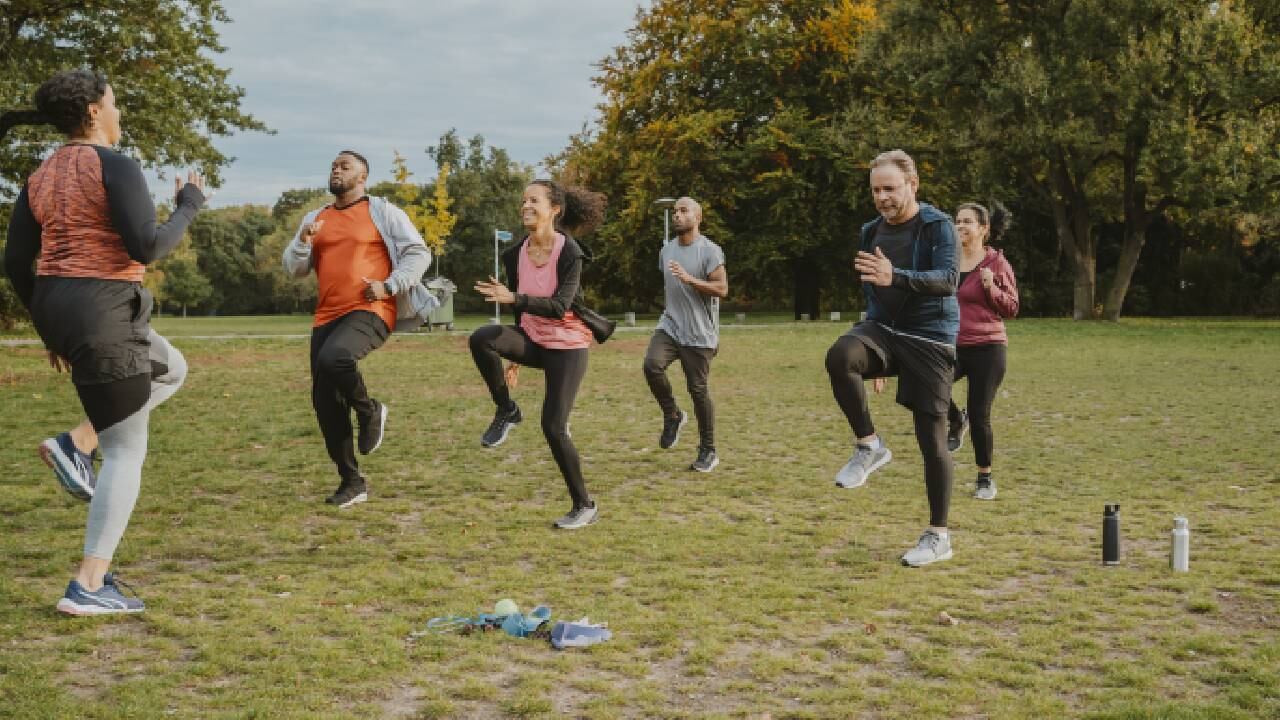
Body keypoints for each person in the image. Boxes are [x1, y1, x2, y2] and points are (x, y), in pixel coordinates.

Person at [4, 69, 205, 614]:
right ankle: (89, 584)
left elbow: (13, 263)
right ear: (93, 110)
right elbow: (147, 247)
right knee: (126, 452)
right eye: (114, 103)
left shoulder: (39, 175)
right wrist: (189, 203)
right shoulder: (117, 166)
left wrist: (52, 326)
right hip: (105, 310)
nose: (118, 113)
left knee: (171, 367)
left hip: (63, 307)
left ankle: (77, 442)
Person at [824, 149, 960, 567]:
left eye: (890, 188)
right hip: (884, 329)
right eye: (875, 190)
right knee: (841, 355)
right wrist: (872, 352)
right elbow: (874, 290)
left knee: (931, 439)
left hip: (930, 336)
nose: (882, 197)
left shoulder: (938, 226)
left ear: (913, 185)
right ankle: (870, 446)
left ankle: (938, 535)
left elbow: (948, 280)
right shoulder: (871, 231)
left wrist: (895, 276)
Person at [282, 151, 436, 508]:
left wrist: (390, 285)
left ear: (363, 178)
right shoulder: (315, 217)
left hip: (371, 308)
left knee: (336, 358)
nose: (336, 170)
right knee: (325, 402)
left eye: (345, 166)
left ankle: (369, 411)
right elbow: (294, 269)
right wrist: (303, 240)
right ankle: (352, 482)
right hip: (327, 317)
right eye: (333, 165)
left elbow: (418, 253)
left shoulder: (382, 212)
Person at [469, 179, 609, 530]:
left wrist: (514, 299)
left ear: (554, 209)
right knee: (482, 337)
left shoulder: (569, 252)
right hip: (533, 338)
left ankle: (585, 505)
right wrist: (515, 353)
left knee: (553, 427)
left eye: (534, 200)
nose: (525, 206)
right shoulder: (514, 253)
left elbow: (560, 306)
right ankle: (507, 410)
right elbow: (521, 312)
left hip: (567, 346)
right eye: (523, 201)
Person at [642, 196, 727, 472]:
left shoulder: (710, 251)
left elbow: (722, 289)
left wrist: (690, 280)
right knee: (652, 366)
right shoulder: (666, 251)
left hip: (700, 334)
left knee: (698, 391)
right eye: (675, 211)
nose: (677, 215)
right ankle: (672, 414)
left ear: (698, 217)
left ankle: (708, 450)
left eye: (683, 210)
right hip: (670, 326)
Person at [948, 201, 1019, 500]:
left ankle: (984, 478)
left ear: (983, 229)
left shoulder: (996, 263)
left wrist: (991, 288)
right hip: (952, 345)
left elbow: (1012, 308)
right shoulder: (948, 261)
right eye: (958, 221)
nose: (961, 226)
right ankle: (955, 420)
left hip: (988, 348)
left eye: (967, 221)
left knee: (980, 414)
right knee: (922, 386)